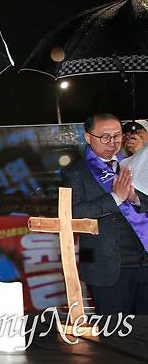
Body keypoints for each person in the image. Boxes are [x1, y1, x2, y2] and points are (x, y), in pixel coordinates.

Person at [61, 113, 148, 315]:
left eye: (117, 136)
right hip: (106, 266)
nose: (112, 142)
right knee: (114, 330)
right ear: (88, 137)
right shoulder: (75, 172)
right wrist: (115, 198)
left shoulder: (132, 164)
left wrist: (135, 198)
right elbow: (73, 213)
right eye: (105, 137)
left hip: (143, 261)